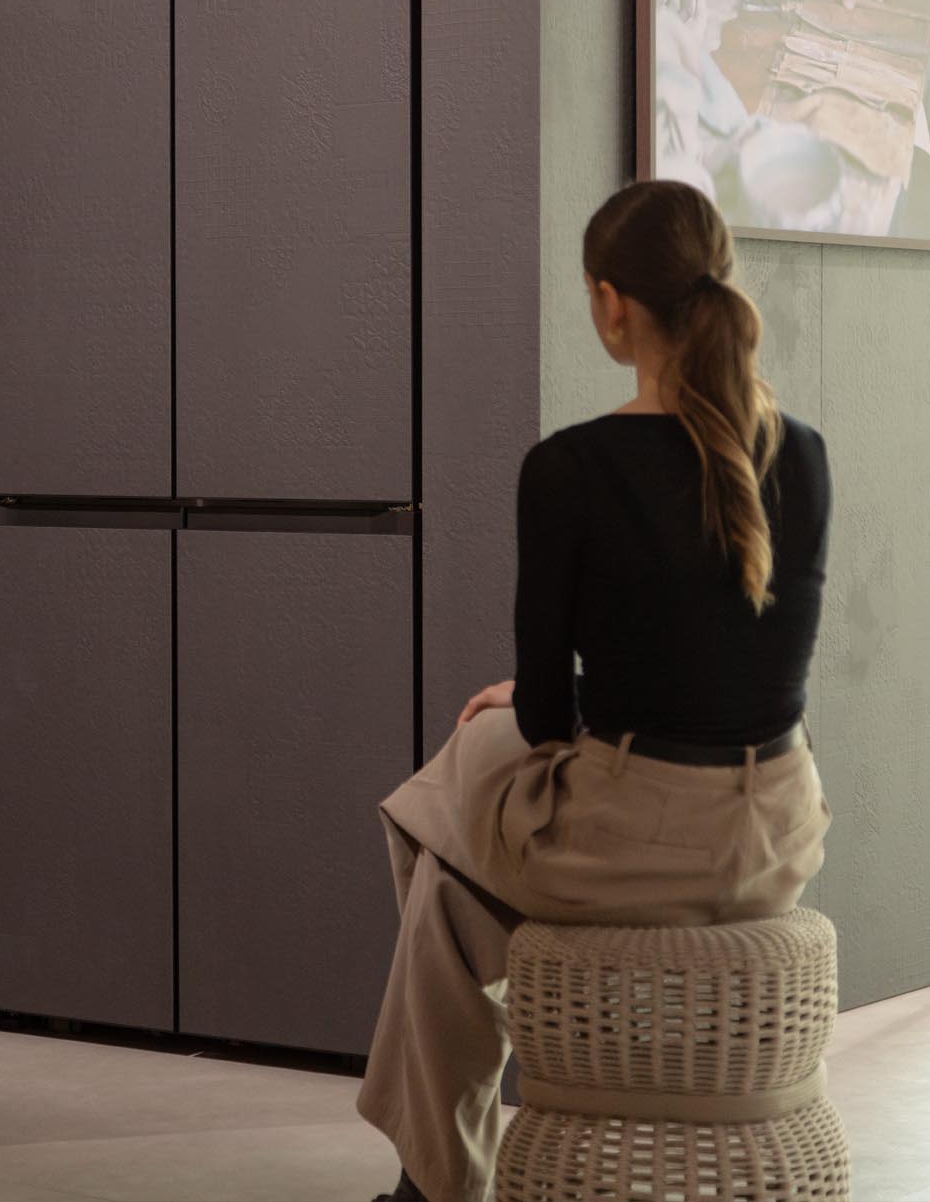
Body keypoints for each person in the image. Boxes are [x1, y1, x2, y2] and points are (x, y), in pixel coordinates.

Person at [356, 179, 834, 1202]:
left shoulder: (568, 468)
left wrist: (540, 694)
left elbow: (539, 717)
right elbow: (744, 666)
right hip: (778, 836)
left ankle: (435, 1182)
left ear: (612, 304)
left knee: (444, 824)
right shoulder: (805, 457)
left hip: (635, 840)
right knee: (450, 882)